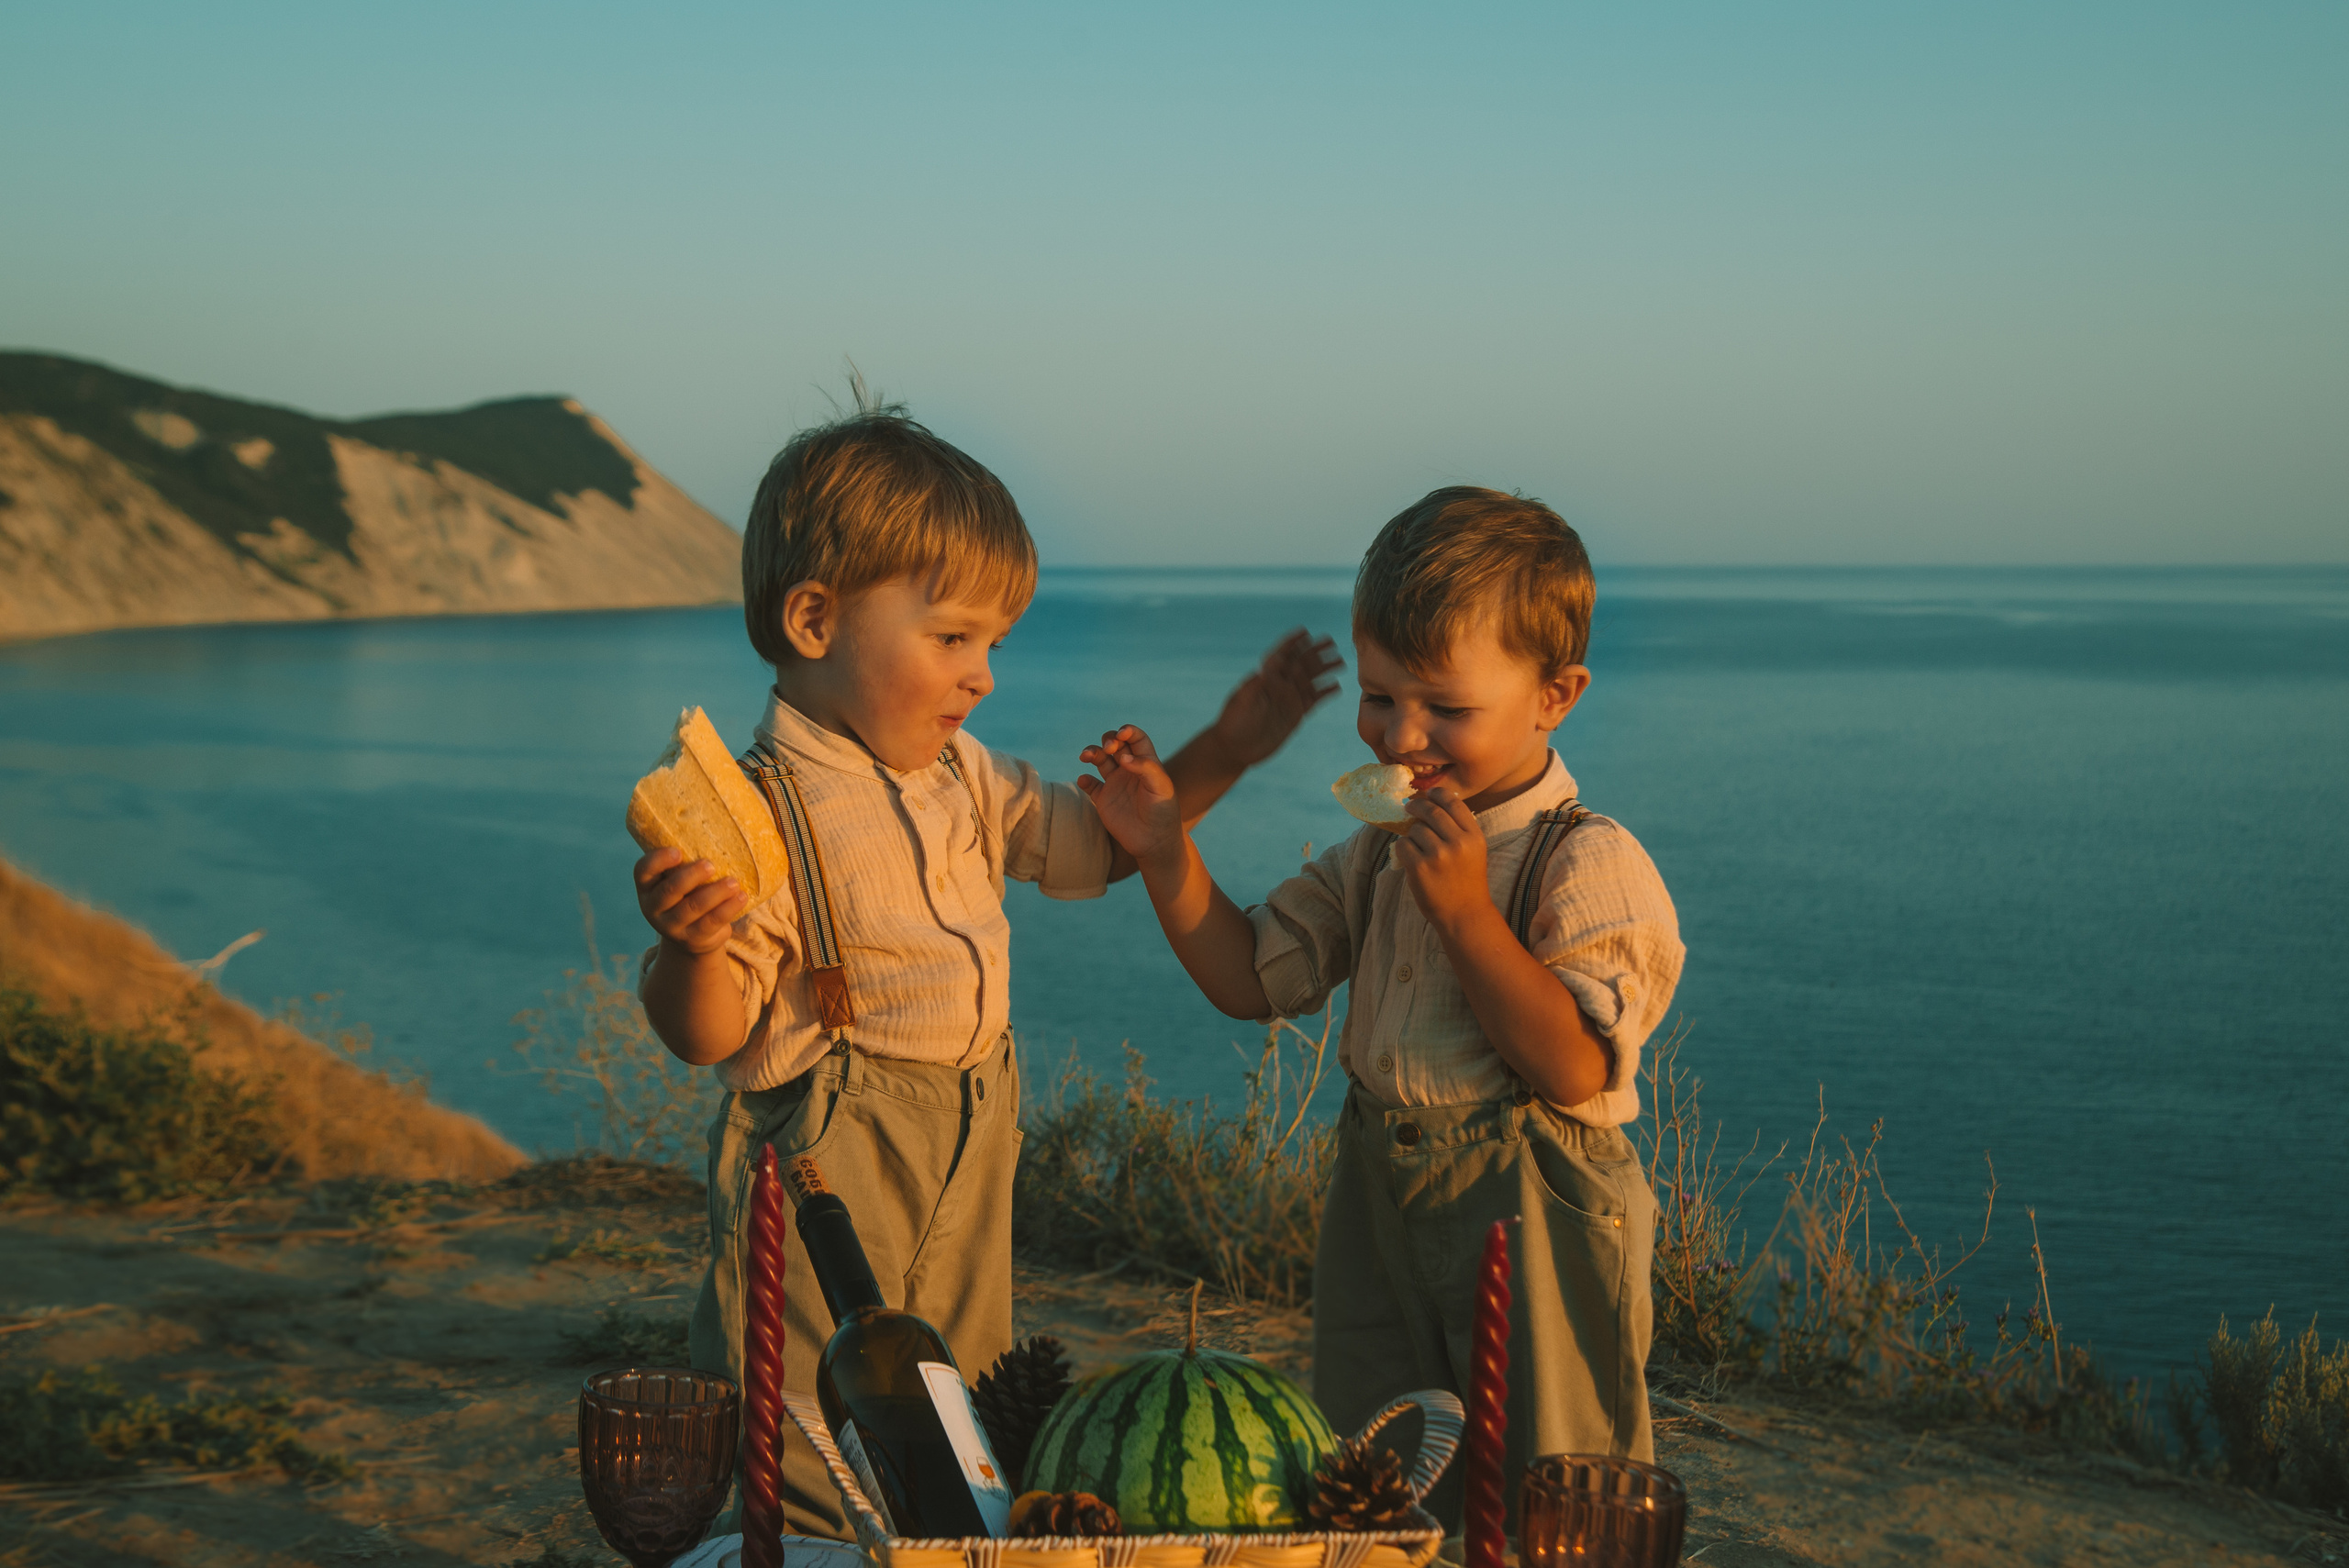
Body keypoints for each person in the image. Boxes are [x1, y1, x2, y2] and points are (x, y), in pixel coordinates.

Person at [631, 395, 1341, 1540]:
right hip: (826, 1155)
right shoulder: (754, 811)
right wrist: (689, 944)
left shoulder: (962, 774)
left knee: (957, 1401)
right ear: (813, 619)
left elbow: (1115, 840)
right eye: (952, 637)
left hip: (972, 1122)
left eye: (993, 646)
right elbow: (706, 1032)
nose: (983, 677)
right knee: (811, 1412)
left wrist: (1229, 746)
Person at [1077, 485, 1683, 1529]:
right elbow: (1249, 978)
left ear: (1555, 694)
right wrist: (1166, 850)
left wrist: (1467, 919)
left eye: (1445, 707)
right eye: (1378, 695)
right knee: (1376, 1462)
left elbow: (1577, 1069)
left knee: (1553, 1484)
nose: (1401, 735)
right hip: (1377, 1195)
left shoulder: (1585, 858)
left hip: (1530, 1208)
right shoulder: (1376, 850)